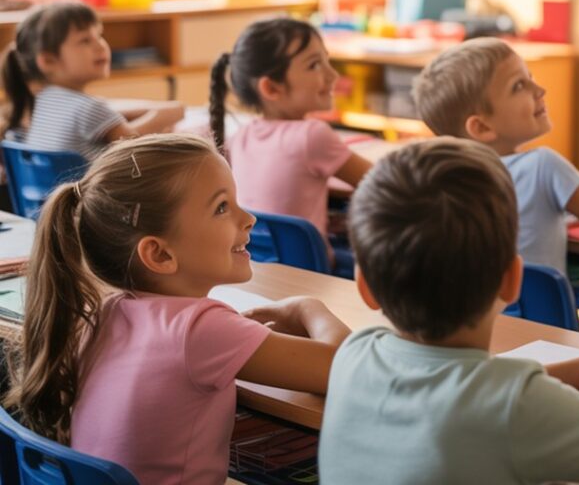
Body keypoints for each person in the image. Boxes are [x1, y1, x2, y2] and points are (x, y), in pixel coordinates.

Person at [318, 138, 579, 485]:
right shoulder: (516, 407)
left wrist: (567, 374)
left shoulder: (356, 351)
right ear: (511, 280)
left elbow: (451, 391)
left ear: (365, 285)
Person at [4, 134, 349, 485]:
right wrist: (309, 307)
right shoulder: (200, 329)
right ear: (160, 255)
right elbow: (351, 370)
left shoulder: (104, 311)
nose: (248, 219)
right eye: (221, 208)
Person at [412, 37, 579, 275]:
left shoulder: (442, 179)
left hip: (480, 313)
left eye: (530, 77)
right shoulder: (544, 166)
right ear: (482, 127)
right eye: (519, 86)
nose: (540, 90)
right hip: (540, 314)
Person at [209, 18, 372, 253]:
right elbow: (383, 182)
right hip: (313, 272)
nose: (332, 75)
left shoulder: (240, 136)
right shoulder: (313, 135)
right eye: (314, 65)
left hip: (256, 266)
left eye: (327, 60)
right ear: (271, 88)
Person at [0, 0, 183, 158]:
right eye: (85, 40)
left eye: (99, 35)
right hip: (89, 198)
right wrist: (171, 112)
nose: (100, 46)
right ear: (48, 60)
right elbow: (130, 141)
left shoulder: (43, 101)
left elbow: (107, 108)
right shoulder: (87, 108)